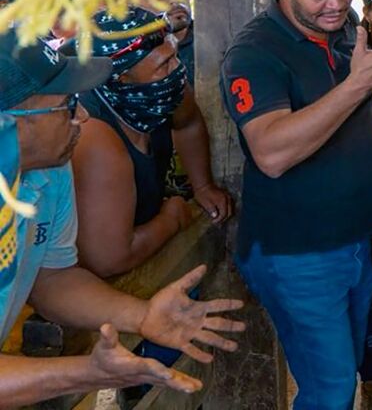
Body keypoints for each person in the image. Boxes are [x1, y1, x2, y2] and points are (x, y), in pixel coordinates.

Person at [220, 0, 372, 409]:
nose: (336, 3)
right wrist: (357, 86)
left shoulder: (347, 27)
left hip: (354, 242)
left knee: (340, 371)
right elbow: (272, 152)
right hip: (298, 252)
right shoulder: (255, 52)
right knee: (329, 389)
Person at [0, 30, 243, 406]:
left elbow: (50, 279)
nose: (82, 115)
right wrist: (87, 373)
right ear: (12, 123)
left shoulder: (50, 170)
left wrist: (142, 316)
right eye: (66, 105)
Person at [71, 7, 216, 278]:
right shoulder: (95, 138)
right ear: (120, 77)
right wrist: (172, 219)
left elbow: (188, 122)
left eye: (174, 56)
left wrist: (203, 186)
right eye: (164, 64)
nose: (177, 69)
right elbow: (109, 260)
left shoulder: (164, 87)